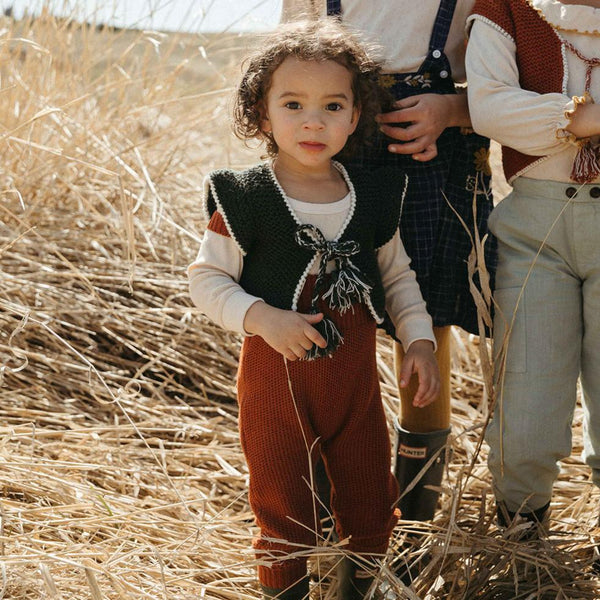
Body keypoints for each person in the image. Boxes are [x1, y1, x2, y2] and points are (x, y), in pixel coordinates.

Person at [188, 19, 441, 600]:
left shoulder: (371, 195)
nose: (313, 120)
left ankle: (364, 587)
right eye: (294, 103)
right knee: (284, 502)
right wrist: (263, 318)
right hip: (274, 378)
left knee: (369, 494)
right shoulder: (247, 197)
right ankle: (287, 590)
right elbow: (205, 279)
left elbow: (397, 276)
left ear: (355, 117)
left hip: (353, 379)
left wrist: (419, 340)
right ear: (262, 112)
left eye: (333, 106)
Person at [281, 0, 496, 539]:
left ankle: (413, 523)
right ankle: (332, 515)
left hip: (435, 161)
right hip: (328, 159)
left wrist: (451, 111)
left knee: (424, 329)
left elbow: (511, 91)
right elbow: (284, 72)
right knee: (323, 329)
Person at [466, 0, 600, 534]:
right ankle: (523, 540)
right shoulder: (506, 8)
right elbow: (492, 108)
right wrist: (586, 119)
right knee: (527, 394)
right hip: (534, 230)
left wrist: (555, 118)